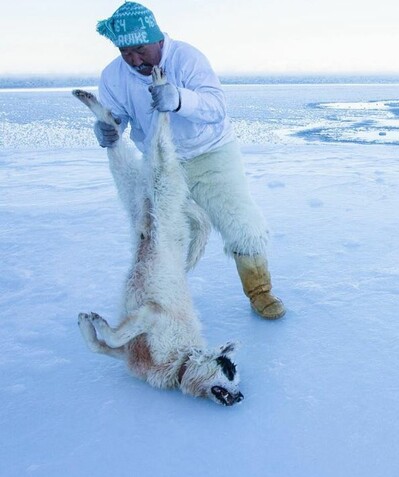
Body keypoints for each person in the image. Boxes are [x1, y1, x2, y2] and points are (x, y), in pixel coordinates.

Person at [93, 2, 285, 319]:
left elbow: (216, 106)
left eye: (140, 50)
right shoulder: (114, 75)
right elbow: (116, 117)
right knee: (162, 239)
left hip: (212, 155)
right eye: (126, 52)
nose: (134, 60)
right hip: (161, 164)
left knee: (244, 226)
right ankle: (161, 299)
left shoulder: (187, 58)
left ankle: (260, 292)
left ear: (157, 39)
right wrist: (108, 128)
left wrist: (179, 98)